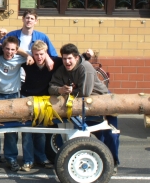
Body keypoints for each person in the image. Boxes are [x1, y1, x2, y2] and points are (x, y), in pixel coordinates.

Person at [49, 43, 120, 171]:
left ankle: (113, 163)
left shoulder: (85, 68)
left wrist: (70, 91)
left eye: (70, 58)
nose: (67, 62)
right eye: (64, 58)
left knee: (110, 135)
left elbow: (85, 92)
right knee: (80, 134)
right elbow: (51, 87)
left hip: (102, 101)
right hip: (81, 105)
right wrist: (60, 89)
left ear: (77, 58)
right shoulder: (62, 70)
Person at [0, 36, 33, 171]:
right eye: (7, 48)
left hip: (12, 97)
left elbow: (34, 55)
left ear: (17, 50)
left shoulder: (20, 59)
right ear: (3, 48)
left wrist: (27, 55)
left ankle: (11, 158)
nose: (9, 52)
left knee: (11, 130)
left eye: (13, 49)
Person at [19, 40, 62, 171]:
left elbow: (73, 59)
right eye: (36, 54)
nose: (39, 57)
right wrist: (27, 55)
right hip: (27, 99)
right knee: (27, 133)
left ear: (46, 53)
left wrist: (87, 55)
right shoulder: (28, 62)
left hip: (43, 101)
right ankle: (28, 161)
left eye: (42, 54)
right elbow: (14, 50)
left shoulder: (54, 62)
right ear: (32, 53)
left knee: (40, 132)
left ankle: (41, 158)